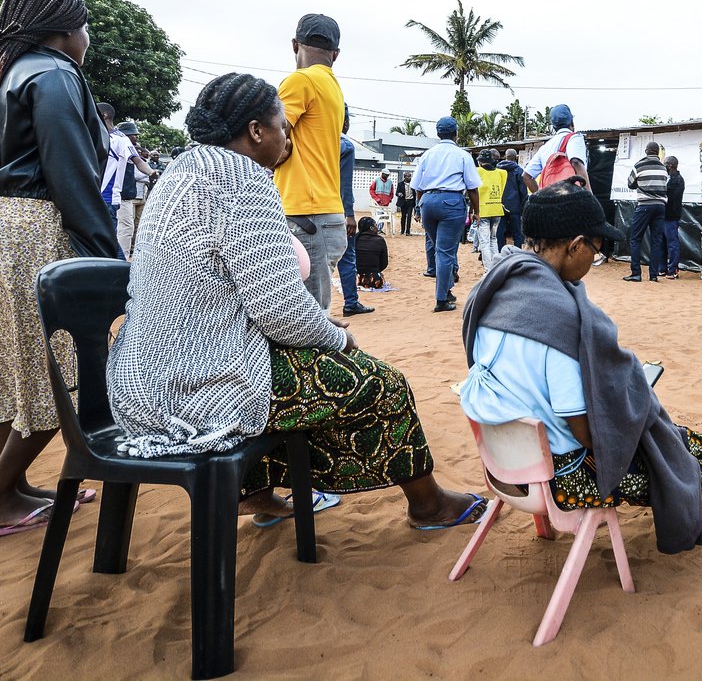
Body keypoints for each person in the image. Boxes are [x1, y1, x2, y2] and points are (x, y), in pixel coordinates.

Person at [107, 72, 485, 530]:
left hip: (137, 383)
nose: (287, 137)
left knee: (290, 363)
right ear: (255, 131)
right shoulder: (242, 178)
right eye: (283, 126)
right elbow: (280, 310)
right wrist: (336, 338)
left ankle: (258, 492)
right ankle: (428, 504)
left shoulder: (177, 174)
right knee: (379, 382)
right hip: (196, 391)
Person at [458, 179, 702, 554]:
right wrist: (629, 407)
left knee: (667, 436)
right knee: (674, 461)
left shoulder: (495, 291)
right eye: (596, 248)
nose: (596, 257)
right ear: (575, 245)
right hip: (567, 476)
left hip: (508, 463)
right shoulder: (556, 323)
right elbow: (588, 433)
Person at [0, 0, 121, 539]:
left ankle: (13, 488)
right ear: (66, 32)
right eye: (85, 28)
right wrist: (106, 259)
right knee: (63, 369)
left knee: (4, 362)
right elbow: (71, 172)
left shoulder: (4, 72)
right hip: (31, 229)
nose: (86, 39)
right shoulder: (56, 73)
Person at [274, 13, 349, 310]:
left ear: (295, 45)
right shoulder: (332, 85)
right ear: (336, 54)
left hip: (306, 214)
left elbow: (274, 140)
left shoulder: (300, 80)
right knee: (314, 312)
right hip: (322, 213)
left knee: (308, 318)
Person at [415, 117, 481, 312]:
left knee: (440, 249)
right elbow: (472, 187)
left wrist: (419, 207)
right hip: (451, 203)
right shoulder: (462, 155)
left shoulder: (427, 155)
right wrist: (476, 210)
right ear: (456, 133)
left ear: (438, 133)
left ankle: (447, 289)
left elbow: (418, 185)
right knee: (445, 251)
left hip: (428, 202)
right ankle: (441, 299)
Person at [97, 105, 157, 258]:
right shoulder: (93, 135)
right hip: (91, 196)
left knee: (109, 240)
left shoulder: (120, 139)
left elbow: (138, 162)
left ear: (104, 115)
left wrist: (151, 172)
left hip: (108, 198)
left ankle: (122, 273)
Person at [336, 110, 373, 317]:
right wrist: (349, 214)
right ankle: (351, 302)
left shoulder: (309, 140)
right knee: (347, 257)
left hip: (304, 208)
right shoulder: (344, 145)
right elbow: (345, 184)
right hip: (334, 210)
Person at [624, 142, 669, 282]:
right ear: (657, 153)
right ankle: (653, 275)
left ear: (646, 151)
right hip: (661, 207)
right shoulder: (663, 168)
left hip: (644, 206)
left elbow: (630, 183)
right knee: (656, 241)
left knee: (636, 239)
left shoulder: (639, 165)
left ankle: (636, 274)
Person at [523, 104, 589, 192]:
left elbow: (526, 176)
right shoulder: (575, 138)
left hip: (550, 201)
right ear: (572, 122)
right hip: (571, 200)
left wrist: (541, 197)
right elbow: (576, 162)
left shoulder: (544, 147)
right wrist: (589, 195)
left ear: (554, 127)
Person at [113, 120, 152, 259]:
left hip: (130, 194)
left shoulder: (131, 151)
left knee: (130, 227)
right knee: (125, 228)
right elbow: (138, 173)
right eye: (133, 135)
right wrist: (150, 173)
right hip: (121, 195)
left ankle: (125, 255)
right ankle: (121, 260)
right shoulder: (120, 148)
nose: (136, 137)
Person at [475, 149, 507, 270]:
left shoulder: (478, 172)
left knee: (484, 243)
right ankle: (496, 267)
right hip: (497, 209)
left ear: (480, 162)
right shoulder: (502, 173)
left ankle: (488, 270)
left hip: (483, 210)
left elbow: (474, 191)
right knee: (493, 239)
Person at [495, 148, 528, 250]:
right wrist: (523, 207)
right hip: (515, 207)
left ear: (505, 156)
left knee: (500, 232)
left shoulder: (498, 170)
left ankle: (501, 252)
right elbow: (523, 191)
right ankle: (517, 254)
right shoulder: (519, 171)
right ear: (516, 157)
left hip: (501, 206)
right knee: (517, 233)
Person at [661, 155, 685, 279]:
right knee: (662, 243)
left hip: (671, 216)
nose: (663, 165)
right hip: (665, 216)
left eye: (665, 163)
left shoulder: (677, 180)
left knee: (672, 243)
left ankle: (673, 270)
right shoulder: (670, 179)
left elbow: (669, 197)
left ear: (670, 165)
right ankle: (663, 269)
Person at [355, 217, 389, 289]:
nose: (377, 227)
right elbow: (384, 263)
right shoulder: (379, 240)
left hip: (355, 279)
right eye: (376, 225)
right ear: (371, 228)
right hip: (374, 280)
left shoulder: (354, 239)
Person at [370, 168, 395, 233]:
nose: (387, 176)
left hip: (386, 204)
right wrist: (376, 199)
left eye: (388, 175)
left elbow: (392, 192)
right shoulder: (377, 180)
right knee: (379, 216)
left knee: (384, 217)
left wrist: (390, 199)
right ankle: (377, 229)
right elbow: (371, 190)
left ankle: (379, 229)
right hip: (377, 203)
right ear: (382, 174)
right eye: (386, 175)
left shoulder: (390, 182)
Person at [396, 171, 415, 235]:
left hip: (410, 202)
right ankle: (402, 230)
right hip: (403, 202)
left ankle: (408, 231)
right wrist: (399, 194)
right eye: (407, 176)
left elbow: (415, 193)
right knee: (403, 216)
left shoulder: (413, 184)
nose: (409, 177)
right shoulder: (400, 184)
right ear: (404, 177)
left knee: (409, 217)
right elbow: (397, 193)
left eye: (410, 176)